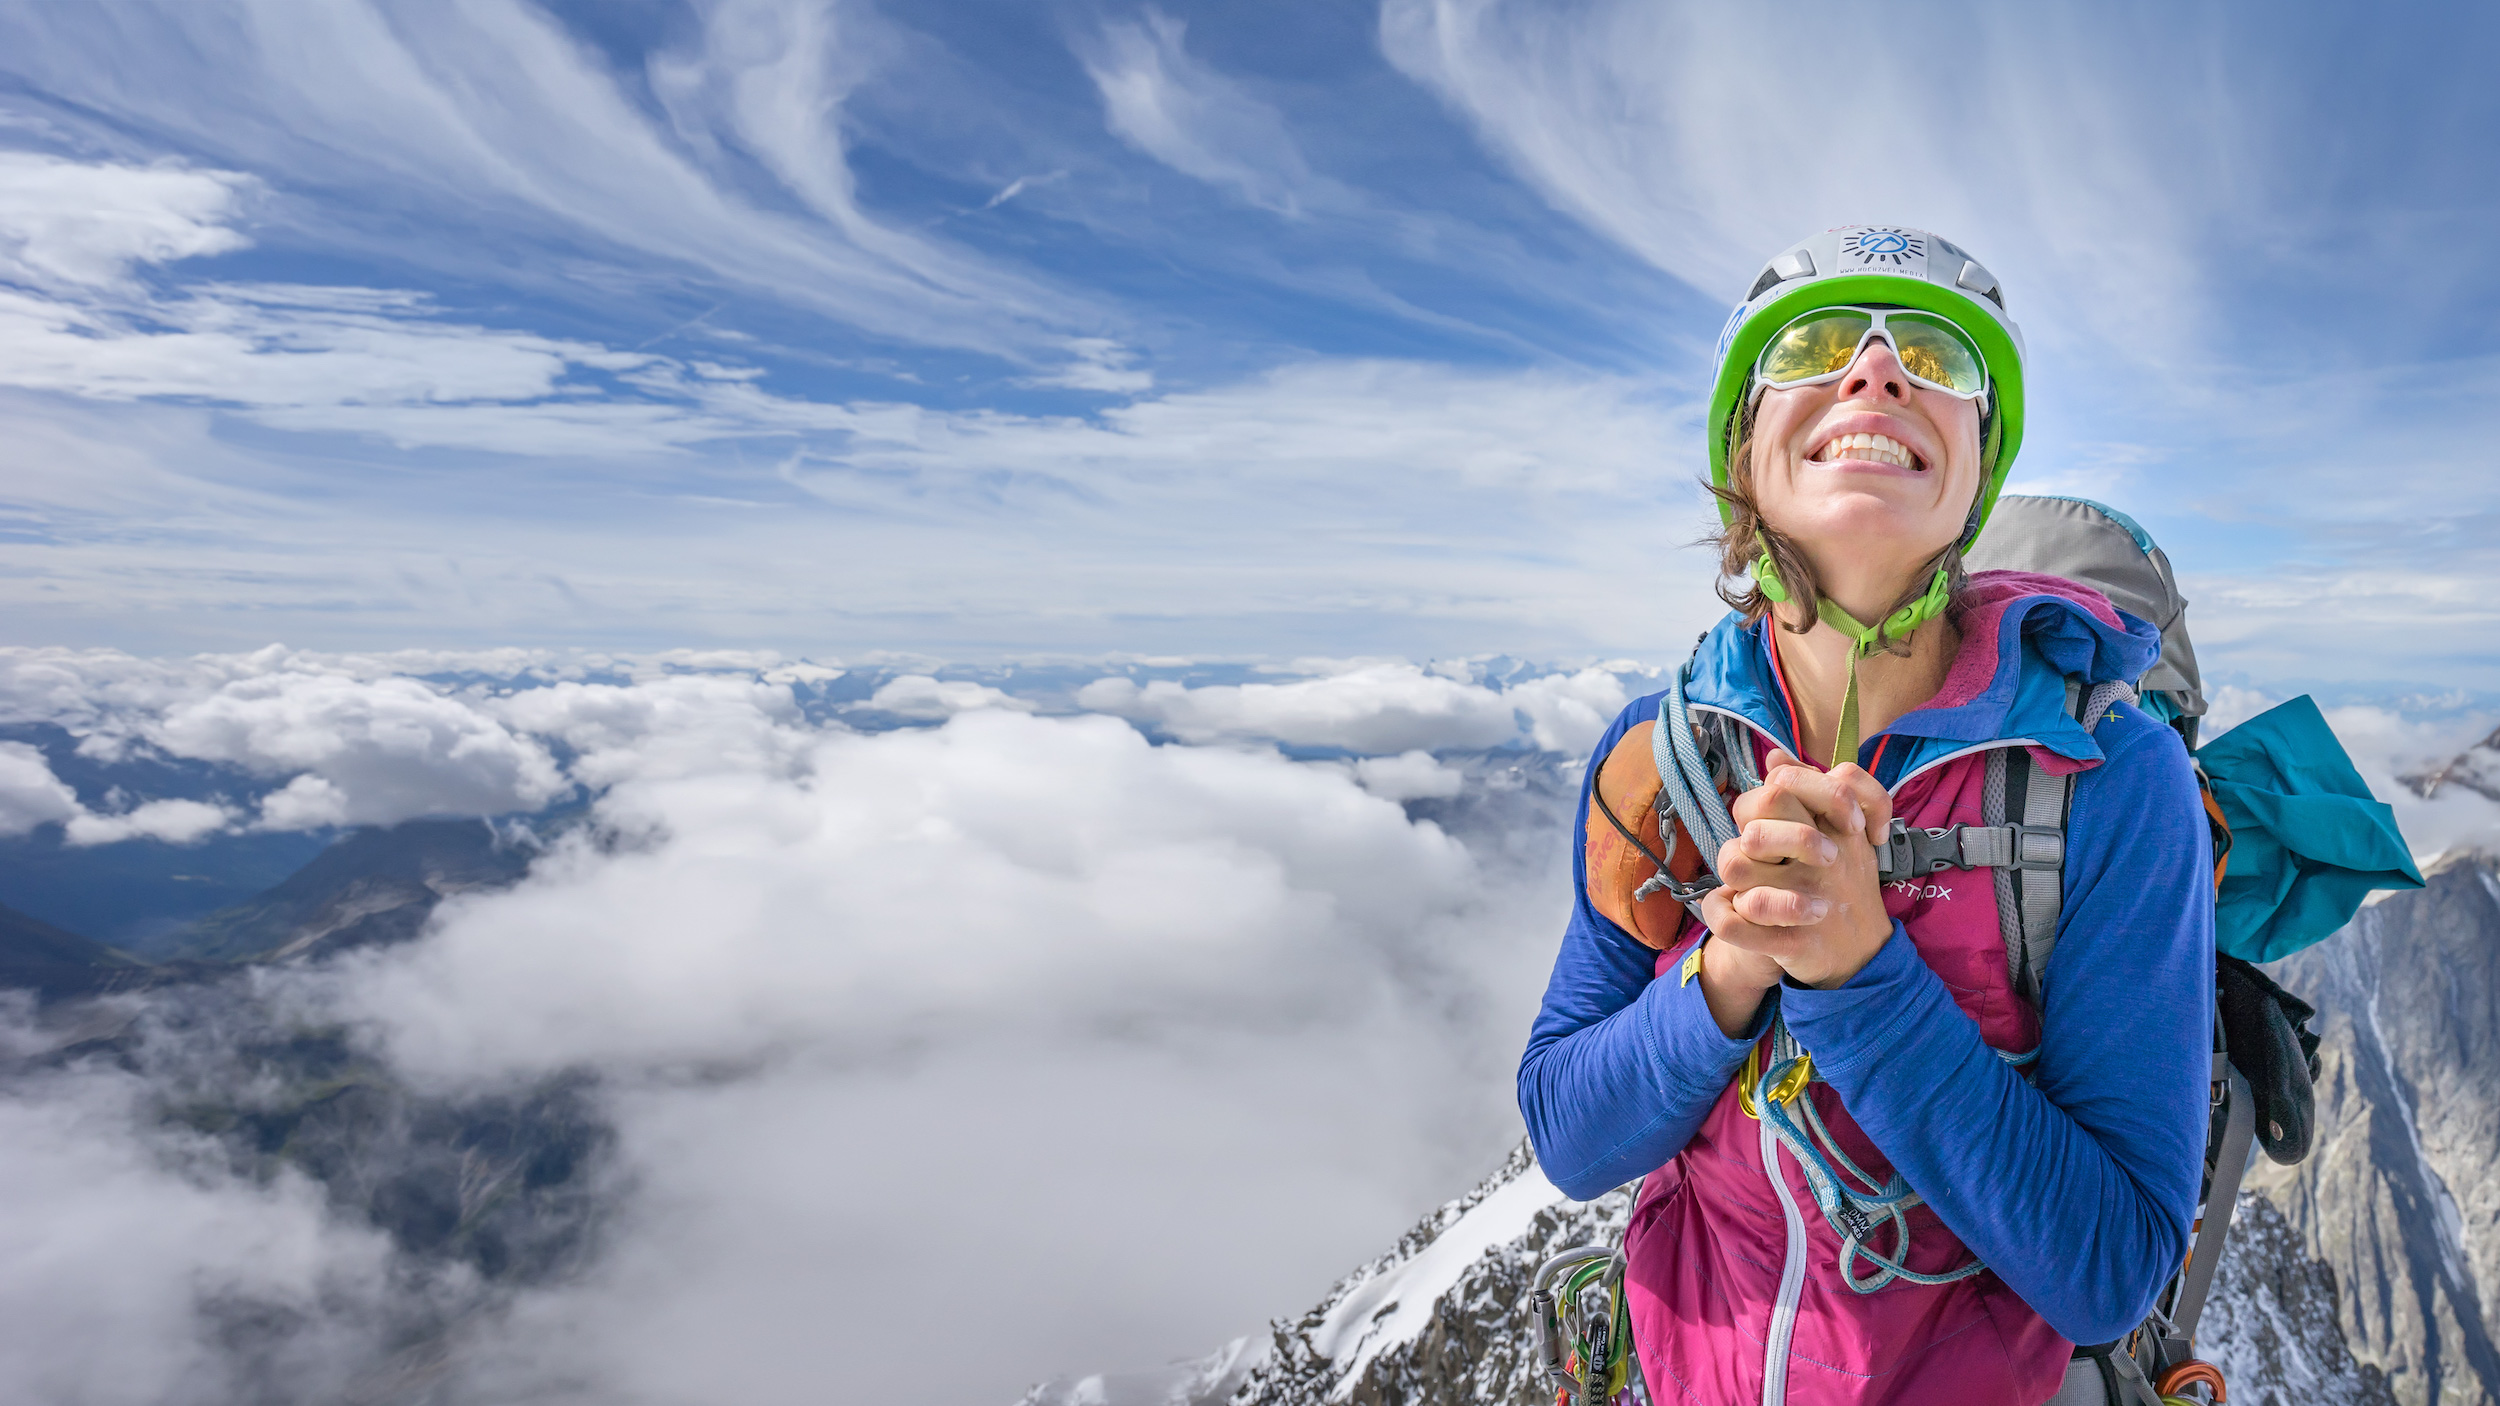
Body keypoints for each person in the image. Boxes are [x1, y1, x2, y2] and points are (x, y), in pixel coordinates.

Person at [1518, 227, 2212, 1404]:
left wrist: (1858, 978)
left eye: (1934, 358)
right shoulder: (1664, 757)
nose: (1876, 372)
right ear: (1743, 442)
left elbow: (2107, 1269)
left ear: (1976, 465)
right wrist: (1730, 961)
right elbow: (1571, 1136)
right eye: (1817, 344)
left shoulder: (2106, 776)